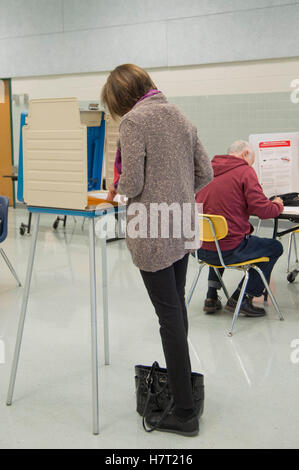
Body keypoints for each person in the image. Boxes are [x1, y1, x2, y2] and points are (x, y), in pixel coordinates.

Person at [101, 64, 213, 436]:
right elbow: (206, 173)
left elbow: (131, 180)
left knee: (168, 317)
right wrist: (177, 193)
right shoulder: (179, 115)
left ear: (123, 97)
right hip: (180, 226)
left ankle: (184, 411)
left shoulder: (135, 122)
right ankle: (184, 393)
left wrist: (115, 189)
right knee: (176, 309)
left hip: (151, 231)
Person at [196, 140, 284, 316]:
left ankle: (211, 297)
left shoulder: (207, 171)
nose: (252, 165)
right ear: (245, 154)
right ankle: (242, 298)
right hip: (230, 250)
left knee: (218, 239)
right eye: (252, 160)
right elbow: (263, 211)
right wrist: (277, 205)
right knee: (275, 247)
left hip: (201, 248)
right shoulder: (244, 171)